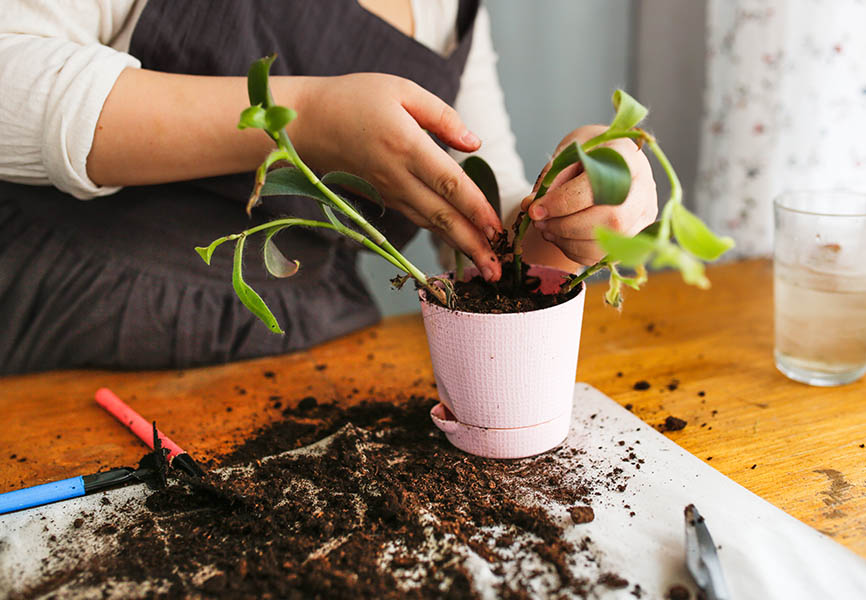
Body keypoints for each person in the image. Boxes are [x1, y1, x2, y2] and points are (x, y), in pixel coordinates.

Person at [0, 0, 657, 374]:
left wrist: (586, 197)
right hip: (81, 330)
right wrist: (304, 120)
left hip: (316, 350)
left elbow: (485, 231)